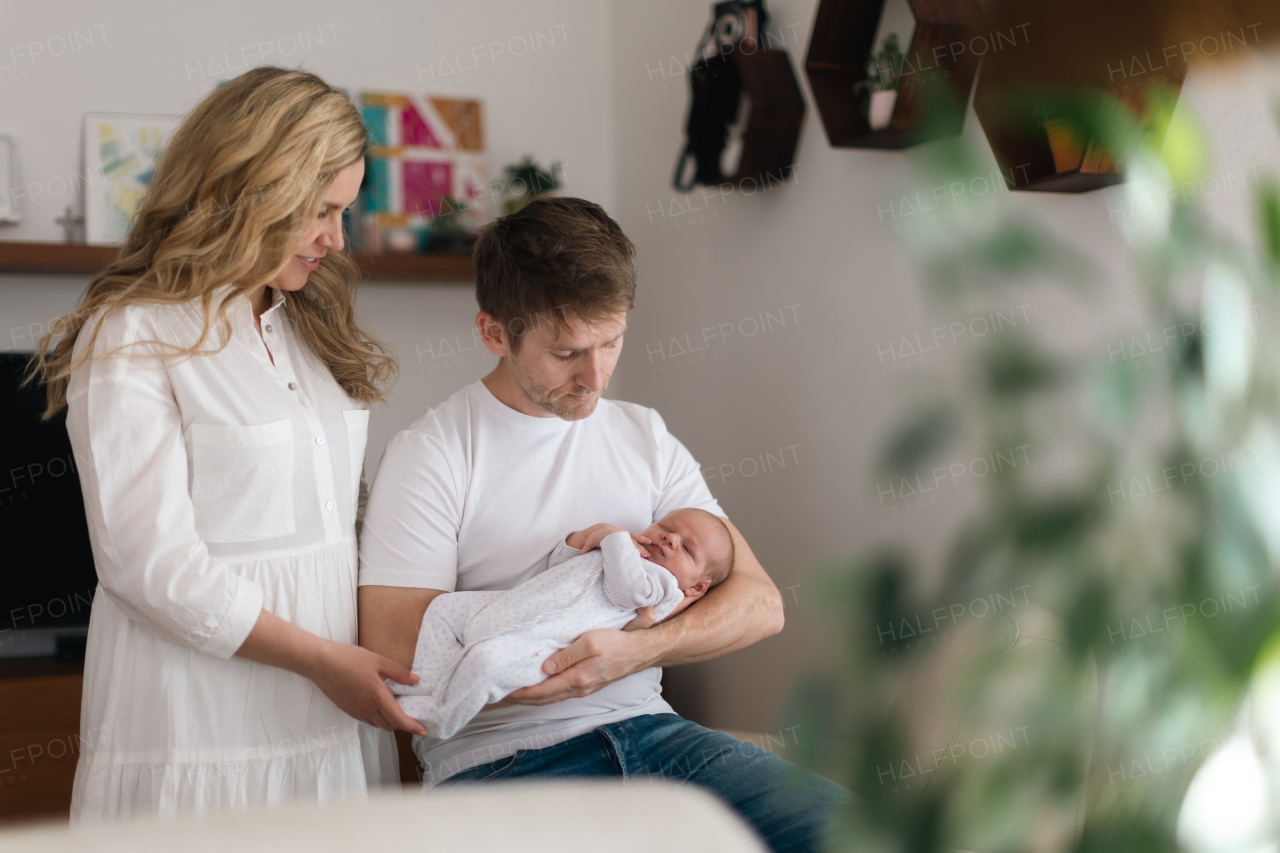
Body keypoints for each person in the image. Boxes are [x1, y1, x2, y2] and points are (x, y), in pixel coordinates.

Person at [358, 196, 847, 853]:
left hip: (658, 736)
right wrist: (551, 654)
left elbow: (758, 603)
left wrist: (631, 652)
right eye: (566, 353)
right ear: (494, 332)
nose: (595, 377)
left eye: (611, 341)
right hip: (505, 761)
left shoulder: (644, 435)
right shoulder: (433, 454)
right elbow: (396, 654)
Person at [28, 66, 425, 821]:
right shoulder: (135, 333)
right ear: (252, 186)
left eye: (345, 212)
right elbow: (148, 566)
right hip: (200, 715)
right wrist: (321, 661)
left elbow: (338, 519)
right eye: (320, 211)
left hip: (334, 708)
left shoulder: (307, 320)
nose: (336, 239)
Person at [390, 508, 735, 739]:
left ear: (696, 587)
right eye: (665, 527)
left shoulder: (662, 586)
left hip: (541, 640)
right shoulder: (625, 551)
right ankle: (426, 684)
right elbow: (559, 567)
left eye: (687, 549)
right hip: (510, 607)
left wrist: (612, 537)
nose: (669, 539)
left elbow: (625, 591)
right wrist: (583, 539)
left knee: (485, 661)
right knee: (445, 607)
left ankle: (435, 718)